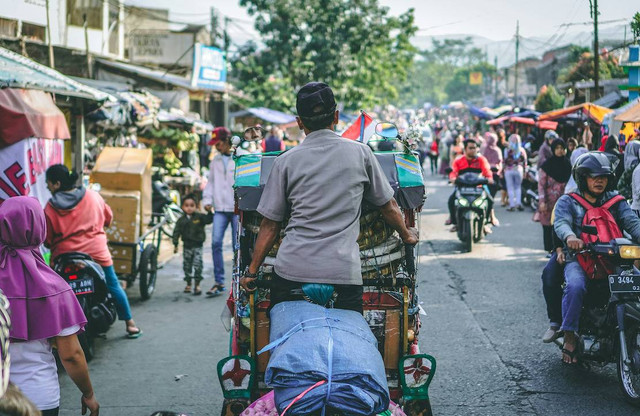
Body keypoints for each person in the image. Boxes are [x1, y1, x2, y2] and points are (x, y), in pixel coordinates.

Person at [239, 82, 418, 312]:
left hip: (292, 271)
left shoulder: (285, 161)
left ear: (299, 122)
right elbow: (388, 206)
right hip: (343, 273)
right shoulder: (361, 153)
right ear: (336, 116)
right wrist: (406, 235)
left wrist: (251, 272)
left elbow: (270, 225)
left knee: (279, 341)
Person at [1, 197, 99, 416]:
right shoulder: (54, 287)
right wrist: (88, 394)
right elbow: (71, 354)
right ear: (40, 227)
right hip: (37, 398)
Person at [554, 153, 640, 363]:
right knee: (575, 286)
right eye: (593, 176)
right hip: (580, 258)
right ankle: (570, 336)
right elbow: (561, 223)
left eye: (603, 176)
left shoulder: (616, 201)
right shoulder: (568, 201)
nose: (599, 180)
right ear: (583, 178)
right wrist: (571, 237)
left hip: (613, 257)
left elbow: (633, 223)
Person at [44, 165, 141, 339]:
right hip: (96, 253)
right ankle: (130, 323)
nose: (48, 187)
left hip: (64, 256)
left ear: (57, 183)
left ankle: (53, 333)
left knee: (56, 292)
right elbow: (108, 218)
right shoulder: (92, 196)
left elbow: (48, 239)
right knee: (112, 284)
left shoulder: (50, 208)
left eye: (48, 184)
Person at [202, 127, 238, 297]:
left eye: (218, 143)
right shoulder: (215, 161)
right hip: (220, 210)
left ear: (226, 142)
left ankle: (239, 281)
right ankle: (219, 281)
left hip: (238, 209)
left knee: (238, 247)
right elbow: (210, 183)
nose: (216, 147)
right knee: (216, 243)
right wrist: (207, 201)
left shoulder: (241, 157)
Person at [447, 139, 496, 231]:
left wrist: (489, 178)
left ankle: (486, 221)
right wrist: (452, 178)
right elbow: (453, 172)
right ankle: (455, 222)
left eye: (475, 148)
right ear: (465, 149)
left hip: (478, 187)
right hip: (462, 187)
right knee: (451, 200)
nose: (473, 150)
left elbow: (487, 171)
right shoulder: (458, 161)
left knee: (490, 200)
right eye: (471, 148)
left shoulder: (481, 160)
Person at [173, 195, 213, 295]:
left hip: (198, 246)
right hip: (186, 247)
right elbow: (176, 232)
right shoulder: (181, 220)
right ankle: (188, 283)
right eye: (186, 205)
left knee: (198, 265)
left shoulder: (199, 217)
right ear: (182, 207)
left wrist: (209, 211)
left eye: (192, 205)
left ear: (196, 206)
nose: (189, 208)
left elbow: (209, 220)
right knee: (187, 266)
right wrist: (175, 244)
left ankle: (197, 284)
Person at [538, 139, 571, 252]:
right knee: (547, 226)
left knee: (561, 224)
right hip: (548, 202)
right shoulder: (547, 165)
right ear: (553, 150)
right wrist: (542, 201)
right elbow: (541, 185)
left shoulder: (568, 164)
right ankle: (549, 249)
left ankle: (560, 249)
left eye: (562, 148)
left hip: (563, 201)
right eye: (557, 148)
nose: (560, 150)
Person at [503, 134, 527, 211]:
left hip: (509, 170)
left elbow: (504, 161)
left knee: (510, 188)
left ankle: (512, 205)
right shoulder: (522, 150)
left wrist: (503, 169)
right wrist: (525, 171)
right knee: (518, 187)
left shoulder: (507, 150)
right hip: (519, 169)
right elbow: (525, 162)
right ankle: (518, 203)